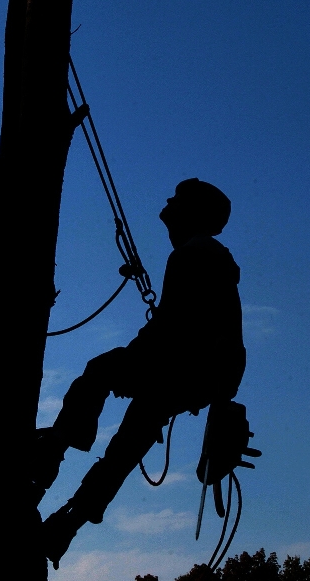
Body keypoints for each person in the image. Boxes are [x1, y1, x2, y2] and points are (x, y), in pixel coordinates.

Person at [32, 178, 248, 569]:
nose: (167, 201)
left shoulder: (190, 255)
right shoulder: (213, 257)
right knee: (131, 440)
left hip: (181, 365)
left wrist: (132, 363)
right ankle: (69, 523)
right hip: (205, 376)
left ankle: (53, 451)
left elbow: (171, 328)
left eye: (177, 200)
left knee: (100, 371)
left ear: (193, 212)